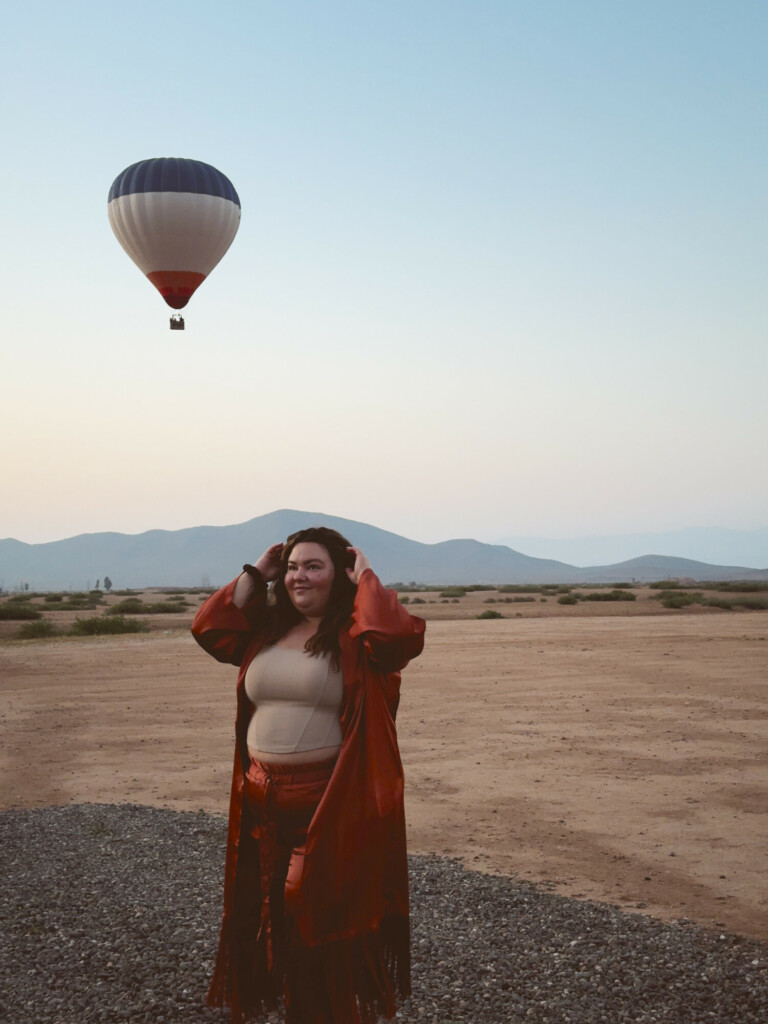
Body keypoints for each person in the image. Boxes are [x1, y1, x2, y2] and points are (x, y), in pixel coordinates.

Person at [191, 526, 426, 1024]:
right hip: (260, 803)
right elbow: (209, 629)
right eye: (293, 566)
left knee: (320, 933)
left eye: (313, 566)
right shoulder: (266, 631)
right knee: (267, 921)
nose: (300, 577)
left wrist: (367, 579)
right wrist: (258, 571)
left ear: (338, 575)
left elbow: (397, 636)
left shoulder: (357, 638)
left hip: (329, 804)